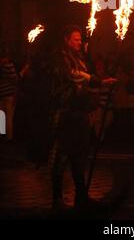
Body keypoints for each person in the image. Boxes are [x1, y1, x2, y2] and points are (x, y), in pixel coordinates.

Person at [49, 25, 116, 211]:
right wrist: (97, 81)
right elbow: (73, 76)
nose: (79, 42)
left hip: (79, 115)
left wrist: (102, 86)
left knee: (80, 157)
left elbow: (84, 85)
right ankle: (57, 200)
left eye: (80, 39)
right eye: (76, 39)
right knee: (61, 157)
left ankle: (81, 197)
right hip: (66, 114)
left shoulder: (79, 58)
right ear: (66, 40)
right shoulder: (60, 57)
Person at [0, 45, 18, 142]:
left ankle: (1, 134)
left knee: (1, 114)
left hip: (1, 92)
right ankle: (9, 137)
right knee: (9, 116)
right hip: (8, 93)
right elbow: (15, 78)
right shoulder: (7, 65)